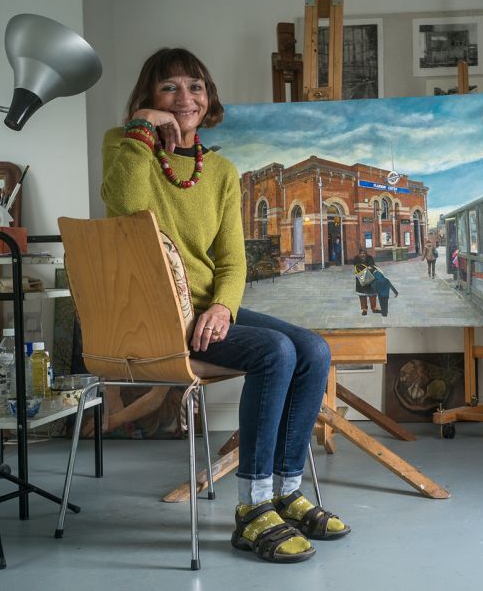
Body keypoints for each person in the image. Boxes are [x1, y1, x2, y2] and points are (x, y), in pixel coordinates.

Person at [101, 47, 348, 563]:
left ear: (208, 97)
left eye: (195, 86)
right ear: (149, 96)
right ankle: (252, 509)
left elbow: (233, 264)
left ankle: (283, 492)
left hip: (204, 308)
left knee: (314, 350)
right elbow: (124, 206)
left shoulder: (221, 172)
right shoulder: (126, 146)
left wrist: (223, 310)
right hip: (155, 315)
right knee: (275, 352)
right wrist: (142, 129)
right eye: (168, 87)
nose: (184, 97)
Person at [353, 247, 379, 315]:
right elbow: (357, 266)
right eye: (361, 253)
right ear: (359, 253)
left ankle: (374, 308)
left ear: (366, 253)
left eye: (364, 253)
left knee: (372, 294)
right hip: (361, 278)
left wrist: (371, 267)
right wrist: (367, 268)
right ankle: (364, 309)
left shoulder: (370, 258)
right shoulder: (356, 258)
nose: (362, 254)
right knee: (362, 295)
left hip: (370, 277)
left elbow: (374, 266)